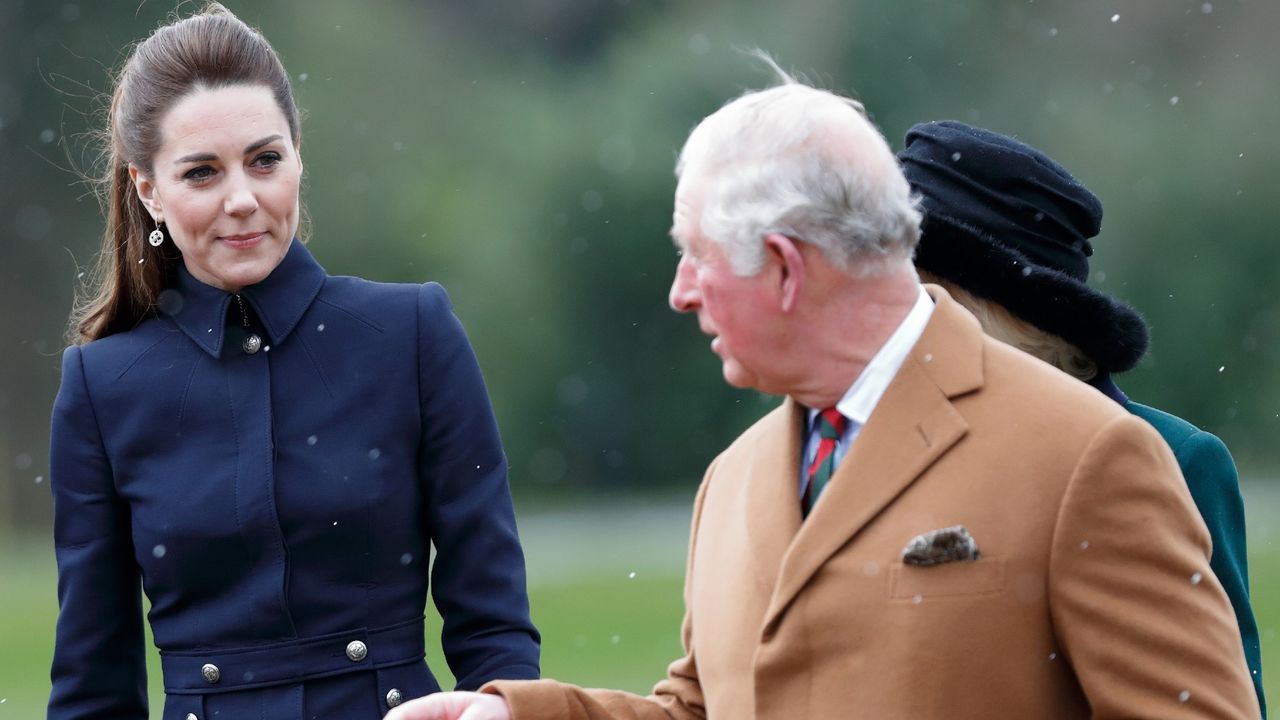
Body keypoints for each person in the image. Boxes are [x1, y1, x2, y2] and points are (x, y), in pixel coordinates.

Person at [386, 63, 1259, 720]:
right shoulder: (732, 478)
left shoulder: (1088, 454)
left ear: (785, 268)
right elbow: (702, 712)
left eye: (696, 255)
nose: (680, 292)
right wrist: (515, 713)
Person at [47, 5, 538, 719]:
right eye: (202, 173)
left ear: (298, 155)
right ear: (149, 190)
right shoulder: (101, 388)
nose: (242, 199)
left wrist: (501, 706)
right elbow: (93, 685)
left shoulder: (411, 335)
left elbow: (492, 620)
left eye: (264, 160)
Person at [897, 119, 1265, 716]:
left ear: (989, 316)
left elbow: (1217, 697)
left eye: (914, 296)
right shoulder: (864, 448)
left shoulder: (1172, 456)